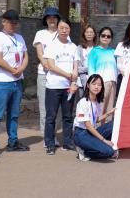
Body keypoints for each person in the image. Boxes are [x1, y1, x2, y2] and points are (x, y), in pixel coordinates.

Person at [0, 10, 30, 158]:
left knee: (14, 115)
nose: (13, 25)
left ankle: (13, 142)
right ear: (3, 22)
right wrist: (13, 70)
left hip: (17, 82)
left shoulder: (20, 38)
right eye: (11, 22)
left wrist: (21, 69)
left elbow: (25, 56)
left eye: (15, 23)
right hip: (2, 82)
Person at [43, 18, 78, 155]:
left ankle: (67, 142)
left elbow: (75, 66)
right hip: (53, 86)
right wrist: (68, 75)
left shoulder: (73, 46)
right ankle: (49, 144)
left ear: (70, 30)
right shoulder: (51, 45)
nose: (64, 30)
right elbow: (51, 66)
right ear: (57, 29)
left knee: (68, 116)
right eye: (61, 28)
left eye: (66, 28)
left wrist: (73, 82)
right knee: (51, 117)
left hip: (68, 88)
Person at [33, 7, 64, 141]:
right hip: (44, 74)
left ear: (58, 19)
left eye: (54, 17)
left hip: (59, 76)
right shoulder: (40, 34)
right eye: (49, 17)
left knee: (58, 108)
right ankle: (47, 136)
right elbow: (40, 54)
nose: (52, 20)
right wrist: (48, 66)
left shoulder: (62, 33)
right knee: (44, 107)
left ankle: (53, 133)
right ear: (45, 20)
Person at [73, 74, 118, 161]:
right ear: (88, 85)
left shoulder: (96, 102)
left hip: (91, 132)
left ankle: (97, 145)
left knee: (115, 124)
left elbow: (95, 120)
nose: (96, 87)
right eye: (94, 84)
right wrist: (104, 140)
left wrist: (108, 114)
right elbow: (88, 125)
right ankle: (84, 152)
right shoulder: (83, 102)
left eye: (99, 85)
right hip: (81, 134)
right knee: (109, 152)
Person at [87, 27, 118, 117]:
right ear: (99, 36)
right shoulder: (94, 51)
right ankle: (97, 126)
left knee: (110, 110)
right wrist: (94, 84)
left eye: (108, 36)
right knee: (99, 109)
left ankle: (107, 126)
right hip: (101, 84)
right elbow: (91, 69)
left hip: (113, 83)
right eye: (103, 35)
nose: (105, 38)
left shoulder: (114, 52)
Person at [75, 25, 96, 98]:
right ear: (84, 34)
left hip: (95, 80)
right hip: (81, 80)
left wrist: (86, 69)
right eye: (87, 32)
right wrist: (90, 68)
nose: (89, 34)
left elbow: (99, 66)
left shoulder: (97, 49)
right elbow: (77, 67)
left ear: (94, 34)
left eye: (91, 32)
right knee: (82, 101)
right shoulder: (79, 48)